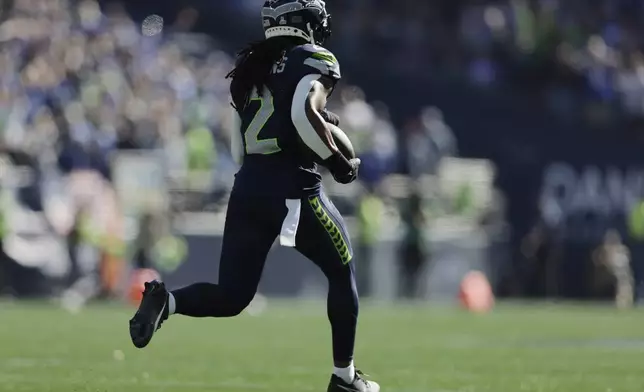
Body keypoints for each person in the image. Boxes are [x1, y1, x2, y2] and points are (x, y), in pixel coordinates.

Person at [128, 1, 379, 391]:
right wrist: (337, 162)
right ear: (302, 22)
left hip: (248, 185)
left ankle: (167, 301)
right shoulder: (313, 59)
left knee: (232, 296)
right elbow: (302, 113)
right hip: (291, 186)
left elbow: (238, 143)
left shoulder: (251, 63)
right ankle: (345, 378)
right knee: (341, 271)